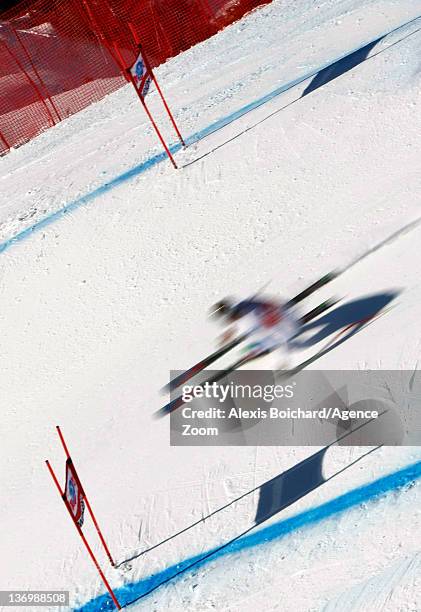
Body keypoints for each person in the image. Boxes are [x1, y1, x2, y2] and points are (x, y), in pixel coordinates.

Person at [209, 295, 301, 368]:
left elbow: (278, 335)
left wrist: (252, 351)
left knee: (246, 350)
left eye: (228, 319)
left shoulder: (249, 320)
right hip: (284, 319)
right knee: (247, 348)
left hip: (287, 330)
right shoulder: (245, 305)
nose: (228, 322)